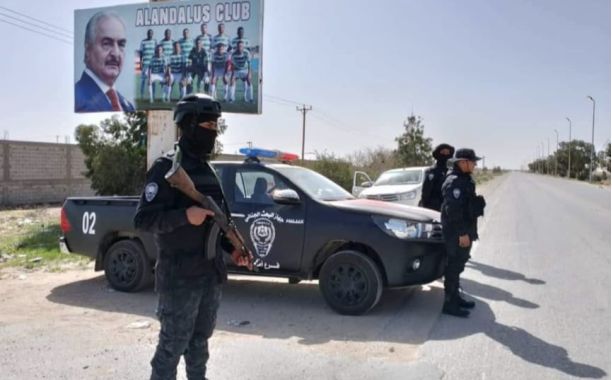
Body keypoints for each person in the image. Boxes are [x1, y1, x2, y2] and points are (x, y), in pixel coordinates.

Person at [134, 93, 252, 379]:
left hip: (209, 274)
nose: (212, 133)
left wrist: (232, 248)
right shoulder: (167, 169)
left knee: (199, 344)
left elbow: (217, 222)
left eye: (215, 128)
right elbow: (143, 219)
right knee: (171, 347)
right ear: (189, 126)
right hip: (179, 277)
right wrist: (185, 216)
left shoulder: (208, 172)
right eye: (208, 127)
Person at [440, 148, 486, 318]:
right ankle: (449, 303)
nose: (475, 164)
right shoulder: (454, 182)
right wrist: (462, 234)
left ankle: (456, 297)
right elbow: (452, 211)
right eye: (472, 161)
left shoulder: (464, 179)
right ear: (463, 162)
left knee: (458, 265)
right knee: (453, 266)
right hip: (456, 233)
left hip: (464, 229)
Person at [75, 11, 135, 112]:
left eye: (121, 44)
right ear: (88, 50)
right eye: (107, 43)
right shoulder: (77, 99)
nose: (116, 53)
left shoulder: (127, 106)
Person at [420, 143, 455, 211]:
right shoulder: (432, 172)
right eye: (443, 152)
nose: (445, 155)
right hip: (435, 208)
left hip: (450, 209)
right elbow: (426, 192)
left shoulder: (453, 172)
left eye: (447, 152)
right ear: (438, 154)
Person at [139, 29, 157, 100]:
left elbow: (156, 52)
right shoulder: (143, 42)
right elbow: (141, 53)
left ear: (153, 34)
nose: (150, 34)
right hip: (145, 64)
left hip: (153, 65)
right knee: (143, 80)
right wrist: (141, 62)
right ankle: (142, 96)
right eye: (149, 33)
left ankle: (153, 96)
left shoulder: (155, 41)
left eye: (151, 33)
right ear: (147, 34)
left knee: (153, 81)